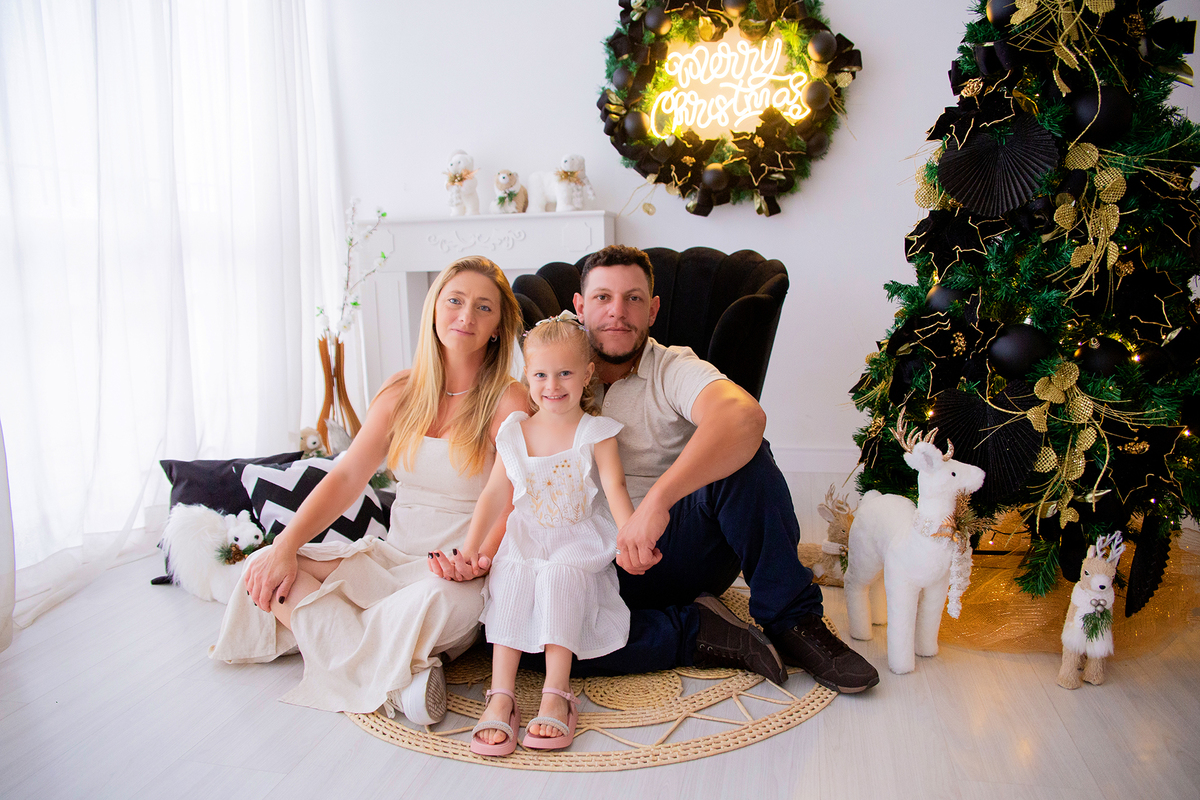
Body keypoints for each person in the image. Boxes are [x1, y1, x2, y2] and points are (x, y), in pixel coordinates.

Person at [209, 255, 531, 725]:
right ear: (434, 308)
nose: (466, 315)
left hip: (454, 573)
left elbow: (511, 500)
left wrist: (476, 559)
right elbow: (346, 477)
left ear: (499, 326)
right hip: (391, 560)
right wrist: (285, 545)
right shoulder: (401, 391)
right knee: (268, 570)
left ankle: (337, 643)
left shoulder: (509, 398)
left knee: (433, 603)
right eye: (455, 300)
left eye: (484, 307)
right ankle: (399, 680)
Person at [570, 244, 880, 693]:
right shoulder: (554, 362)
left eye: (633, 298)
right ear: (580, 306)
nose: (617, 311)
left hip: (675, 551)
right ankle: (699, 632)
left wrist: (658, 501)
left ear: (652, 310)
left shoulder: (672, 366)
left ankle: (793, 620)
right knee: (525, 636)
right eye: (603, 297)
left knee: (746, 453)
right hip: (587, 566)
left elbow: (744, 416)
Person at [441, 312, 634, 757]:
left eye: (565, 373)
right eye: (541, 375)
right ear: (526, 376)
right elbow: (495, 494)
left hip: (577, 538)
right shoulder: (515, 432)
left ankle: (555, 693)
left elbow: (616, 488)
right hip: (526, 535)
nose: (553, 385)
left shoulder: (595, 433)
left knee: (559, 576)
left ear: (587, 374)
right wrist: (470, 548)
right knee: (510, 575)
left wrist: (630, 537)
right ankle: (502, 695)